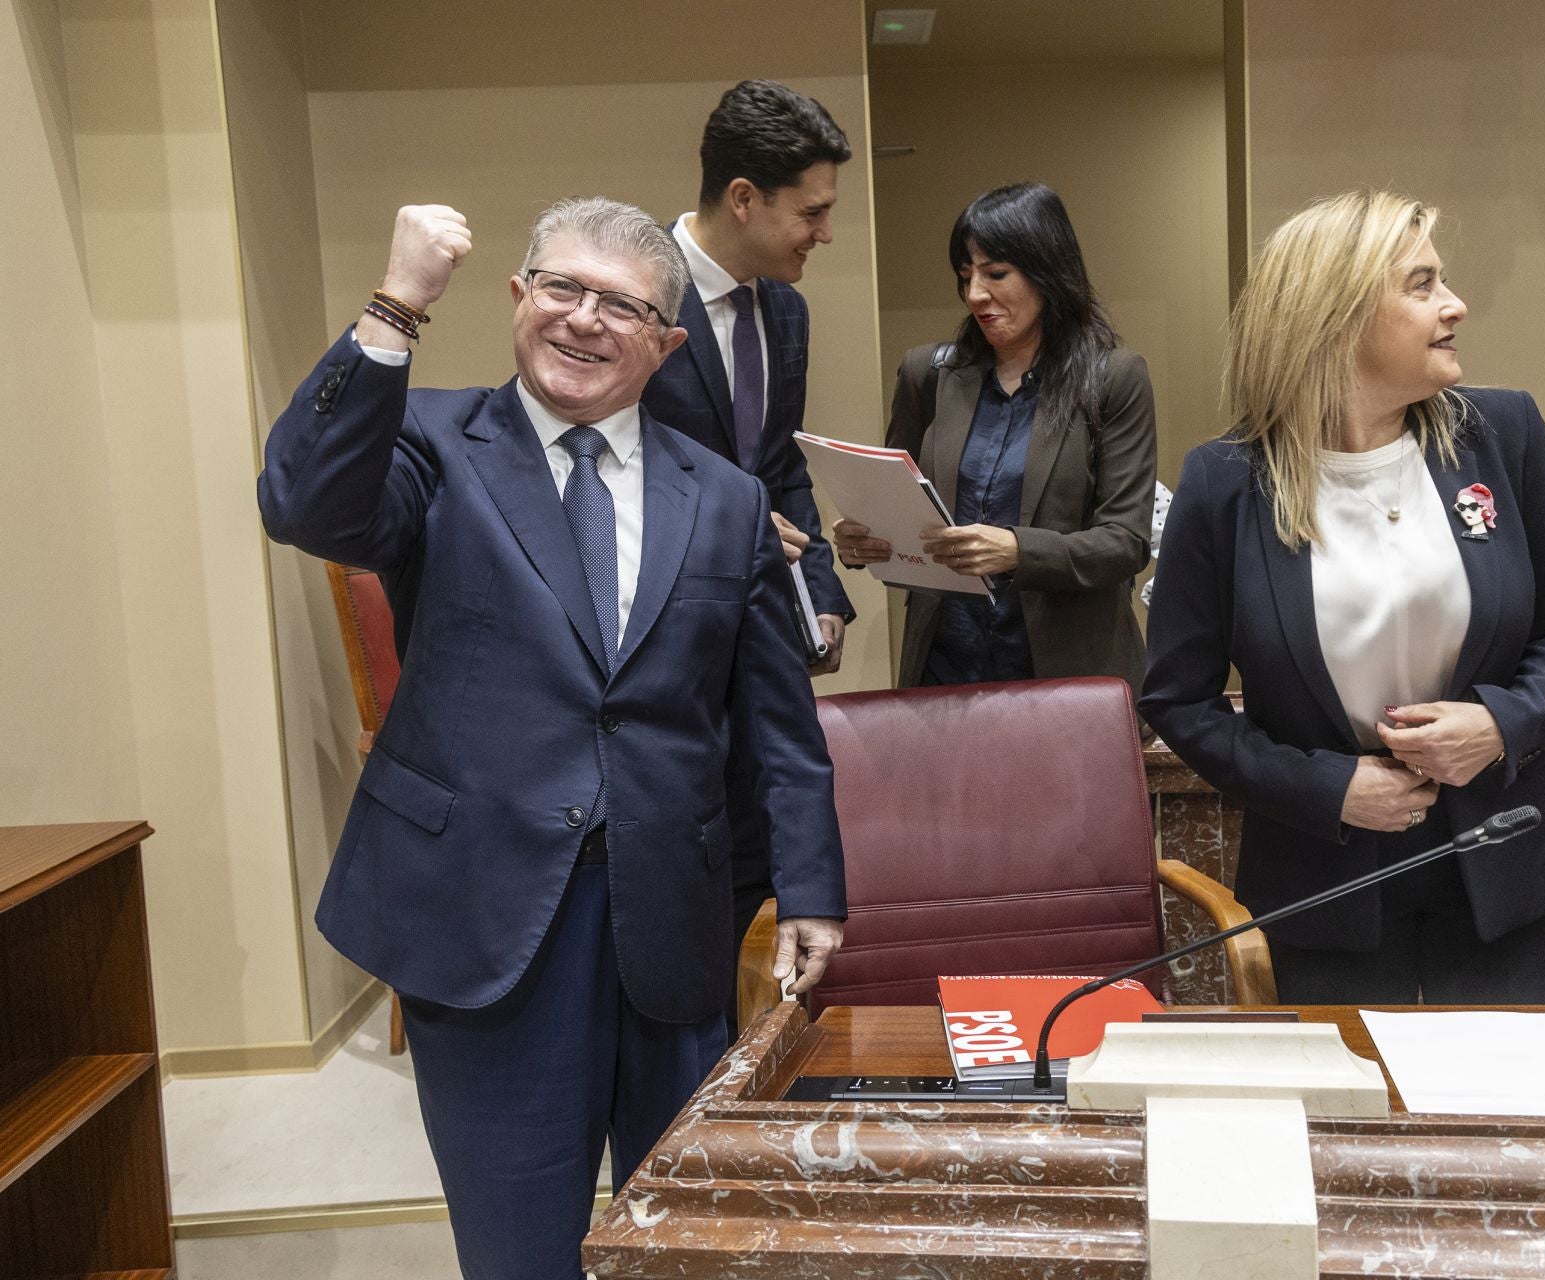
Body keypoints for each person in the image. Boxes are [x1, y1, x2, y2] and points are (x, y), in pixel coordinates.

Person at [257, 198, 846, 1278]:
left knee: (684, 1234)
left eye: (623, 305)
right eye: (562, 288)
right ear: (520, 296)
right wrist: (395, 307)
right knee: (518, 1246)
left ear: (667, 344)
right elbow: (303, 502)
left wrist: (809, 883)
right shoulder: (433, 441)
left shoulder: (725, 497)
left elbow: (777, 716)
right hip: (485, 916)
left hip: (671, 918)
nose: (585, 320)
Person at [1140, 190, 1545, 1003]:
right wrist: (1327, 788)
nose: (1454, 305)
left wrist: (1501, 724)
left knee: (1496, 1119)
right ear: (1337, 319)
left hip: (1503, 861)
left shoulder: (1504, 435)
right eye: (1421, 285)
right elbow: (1179, 701)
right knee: (1351, 1124)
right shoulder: (1225, 485)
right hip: (1326, 884)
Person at [640, 79, 855, 965]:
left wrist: (821, 585)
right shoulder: (633, 292)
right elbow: (600, 469)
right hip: (662, 652)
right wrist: (725, 530)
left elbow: (778, 470)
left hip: (763, 645)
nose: (825, 233)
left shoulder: (787, 310)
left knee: (760, 871)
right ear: (743, 198)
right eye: (812, 211)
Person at [832, 181, 1156, 690]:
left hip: (1069, 676)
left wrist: (1018, 551)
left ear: (1048, 272)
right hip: (946, 672)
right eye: (966, 277)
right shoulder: (927, 374)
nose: (975, 295)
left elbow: (1126, 543)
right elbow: (904, 522)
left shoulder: (1114, 377)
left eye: (996, 274)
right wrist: (866, 543)